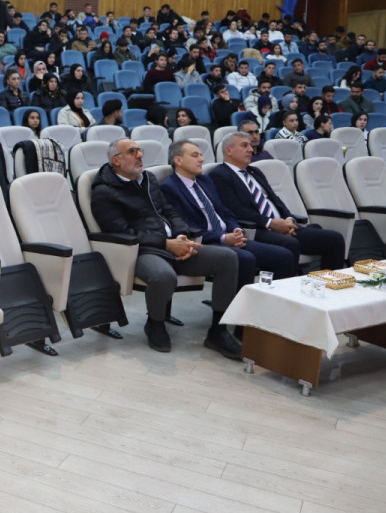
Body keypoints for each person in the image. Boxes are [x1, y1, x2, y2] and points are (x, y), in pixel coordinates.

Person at [90, 138, 241, 355]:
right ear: (117, 160)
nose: (140, 155)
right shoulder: (104, 192)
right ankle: (155, 323)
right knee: (163, 276)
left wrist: (181, 236)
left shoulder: (148, 179)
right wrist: (166, 244)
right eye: (132, 152)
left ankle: (218, 331)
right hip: (141, 251)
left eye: (139, 150)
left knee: (227, 258)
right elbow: (124, 233)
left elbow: (170, 211)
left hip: (172, 243)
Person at [160, 140, 299, 293]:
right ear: (178, 160)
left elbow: (225, 212)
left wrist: (236, 229)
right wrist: (223, 238)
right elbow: (187, 226)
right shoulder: (169, 188)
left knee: (284, 256)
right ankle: (234, 312)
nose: (201, 159)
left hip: (229, 237)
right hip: (206, 242)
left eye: (200, 155)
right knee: (246, 259)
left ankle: (277, 305)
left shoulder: (204, 181)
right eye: (195, 155)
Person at [209, 132, 347, 270]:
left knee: (334, 239)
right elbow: (236, 211)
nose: (251, 149)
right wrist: (271, 223)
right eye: (244, 146)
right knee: (290, 243)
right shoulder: (219, 175)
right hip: (256, 229)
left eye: (250, 145)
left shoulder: (254, 171)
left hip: (283, 225)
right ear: (228, 150)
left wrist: (289, 219)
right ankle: (289, 289)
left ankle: (330, 284)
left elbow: (276, 201)